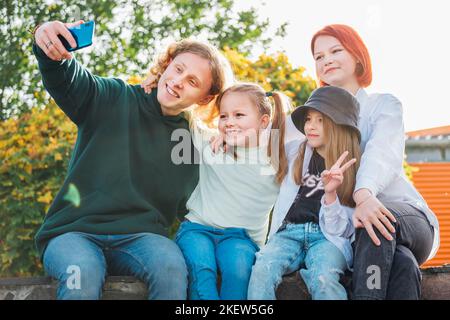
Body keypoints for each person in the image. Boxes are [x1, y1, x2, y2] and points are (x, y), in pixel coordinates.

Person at [32, 19, 232, 300]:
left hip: (142, 239)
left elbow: (214, 198)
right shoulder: (115, 97)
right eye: (178, 69)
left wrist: (234, 142)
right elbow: (69, 78)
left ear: (204, 98)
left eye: (192, 82)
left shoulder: (193, 141)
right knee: (83, 273)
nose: (177, 82)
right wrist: (46, 41)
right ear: (167, 63)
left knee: (171, 268)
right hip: (73, 232)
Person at [309, 24, 439, 299]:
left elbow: (382, 153)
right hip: (361, 237)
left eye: (335, 50)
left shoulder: (384, 105)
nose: (326, 60)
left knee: (373, 221)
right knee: (403, 265)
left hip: (407, 220)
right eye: (318, 57)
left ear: (357, 55)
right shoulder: (316, 125)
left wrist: (364, 195)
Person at [175, 83, 289, 299]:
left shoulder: (278, 156)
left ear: (263, 121)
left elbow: (307, 132)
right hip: (197, 229)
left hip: (242, 238)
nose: (229, 123)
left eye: (239, 115)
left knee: (239, 273)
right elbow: (183, 106)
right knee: (201, 270)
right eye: (224, 116)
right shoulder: (212, 144)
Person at [248, 86, 360, 300]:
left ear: (339, 125)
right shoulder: (295, 150)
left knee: (324, 279)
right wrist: (222, 137)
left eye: (320, 120)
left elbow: (340, 230)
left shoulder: (354, 169)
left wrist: (330, 194)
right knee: (262, 268)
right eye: (308, 119)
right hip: (288, 233)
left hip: (327, 239)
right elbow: (259, 140)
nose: (311, 126)